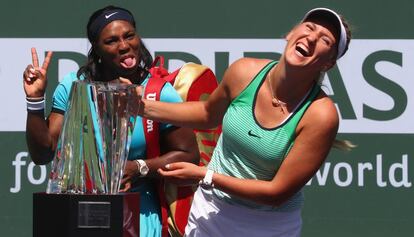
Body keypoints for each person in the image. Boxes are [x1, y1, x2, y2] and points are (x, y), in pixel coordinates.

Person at [137, 7, 352, 237]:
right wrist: (143, 108)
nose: (311, 38)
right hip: (209, 213)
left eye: (325, 40)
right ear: (291, 33)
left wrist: (205, 176)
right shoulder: (244, 71)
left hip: (268, 226)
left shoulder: (321, 115)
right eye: (309, 27)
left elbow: (276, 193)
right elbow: (208, 114)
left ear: (328, 63)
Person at [22, 5, 199, 237]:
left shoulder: (158, 92)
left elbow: (189, 155)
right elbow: (43, 154)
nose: (124, 46)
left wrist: (139, 168)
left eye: (129, 36)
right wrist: (35, 100)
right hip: (77, 214)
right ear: (96, 48)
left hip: (138, 216)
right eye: (111, 41)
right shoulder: (73, 86)